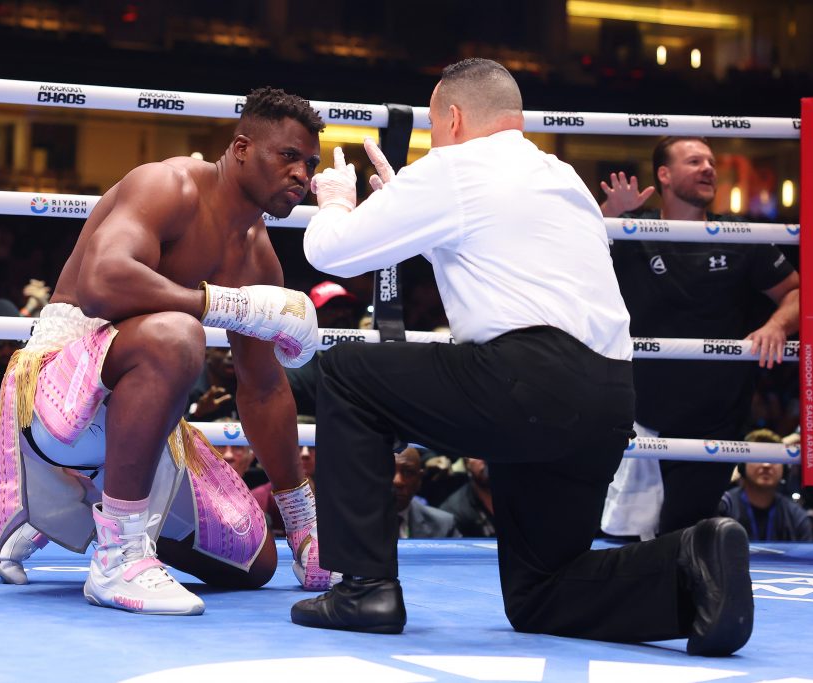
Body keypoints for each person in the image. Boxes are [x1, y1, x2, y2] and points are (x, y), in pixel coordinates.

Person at [290, 58, 753, 657]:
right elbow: (495, 265)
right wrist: (404, 209)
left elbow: (330, 252)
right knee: (541, 592)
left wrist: (336, 201)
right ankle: (691, 567)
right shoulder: (560, 178)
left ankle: (364, 589)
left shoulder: (453, 167)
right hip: (608, 396)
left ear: (453, 118)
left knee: (348, 374)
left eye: (435, 126)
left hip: (527, 380)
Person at [0, 86, 331, 616]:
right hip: (60, 399)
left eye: (309, 164)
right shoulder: (168, 184)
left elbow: (263, 390)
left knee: (253, 562)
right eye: (287, 156)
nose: (301, 175)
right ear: (241, 148)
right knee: (177, 334)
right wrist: (227, 306)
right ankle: (117, 557)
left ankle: (65, 512)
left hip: (137, 428)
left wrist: (303, 521)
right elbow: (103, 282)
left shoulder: (259, 259)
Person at [599, 137, 800, 536]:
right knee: (619, 537)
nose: (708, 168)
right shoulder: (633, 230)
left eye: (710, 161)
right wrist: (608, 216)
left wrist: (776, 326)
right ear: (664, 174)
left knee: (683, 531)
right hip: (637, 414)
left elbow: (796, 291)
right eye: (694, 161)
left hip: (714, 416)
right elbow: (569, 259)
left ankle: (683, 597)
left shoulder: (741, 235)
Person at [284, 280, 364, 417]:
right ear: (313, 314)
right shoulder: (295, 360)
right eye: (333, 307)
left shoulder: (362, 354)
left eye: (347, 307)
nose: (342, 314)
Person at [719, 429, 812, 542]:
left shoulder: (796, 516)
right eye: (759, 457)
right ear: (743, 466)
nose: (766, 465)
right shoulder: (724, 507)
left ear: (785, 470)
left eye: (773, 459)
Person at [393, 446, 459, 539]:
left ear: (419, 480)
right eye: (389, 470)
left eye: (408, 472)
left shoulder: (443, 525)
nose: (398, 481)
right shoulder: (364, 521)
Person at [440, 457, 496, 538]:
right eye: (478, 454)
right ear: (467, 464)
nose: (485, 460)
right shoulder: (453, 511)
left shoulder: (518, 496)